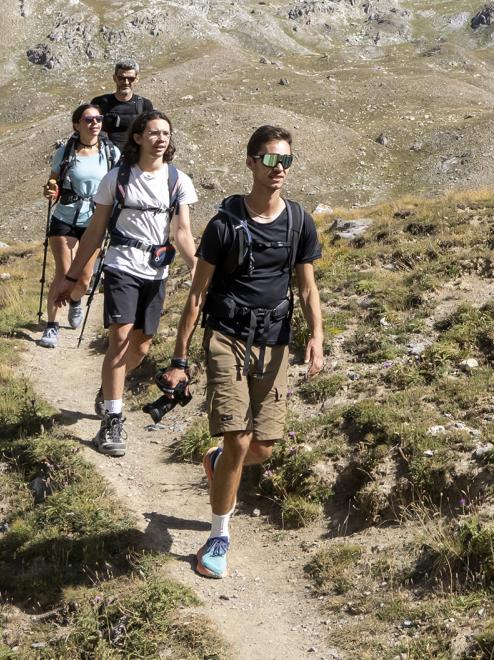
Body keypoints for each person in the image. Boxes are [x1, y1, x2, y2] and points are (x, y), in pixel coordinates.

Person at [161, 125, 324, 579]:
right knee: (237, 436)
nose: (279, 170)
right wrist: (179, 359)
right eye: (271, 160)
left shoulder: (298, 221)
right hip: (227, 337)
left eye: (286, 161)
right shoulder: (224, 224)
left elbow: (307, 289)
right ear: (251, 162)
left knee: (263, 448)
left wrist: (316, 336)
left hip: (274, 344)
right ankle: (218, 535)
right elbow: (197, 294)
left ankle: (217, 463)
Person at [49, 110, 199, 457]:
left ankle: (107, 391)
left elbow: (182, 232)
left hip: (157, 270)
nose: (160, 139)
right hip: (121, 264)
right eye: (153, 133)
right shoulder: (116, 178)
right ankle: (113, 419)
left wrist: (196, 267)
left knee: (142, 346)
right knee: (120, 336)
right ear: (137, 137)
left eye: (166, 133)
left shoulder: (179, 181)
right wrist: (71, 277)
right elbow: (95, 231)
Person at [38, 103, 122, 348]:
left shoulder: (111, 153)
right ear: (77, 125)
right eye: (88, 119)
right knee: (64, 273)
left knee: (84, 280)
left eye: (98, 119)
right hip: (64, 218)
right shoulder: (64, 153)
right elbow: (53, 181)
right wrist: (50, 189)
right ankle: (52, 326)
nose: (94, 123)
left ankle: (75, 300)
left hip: (94, 222)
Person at [90, 59, 154, 151]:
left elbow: (150, 134)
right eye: (121, 78)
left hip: (134, 159)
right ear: (114, 78)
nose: (126, 82)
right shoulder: (99, 102)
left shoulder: (145, 105)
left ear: (136, 79)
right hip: (106, 158)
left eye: (131, 78)